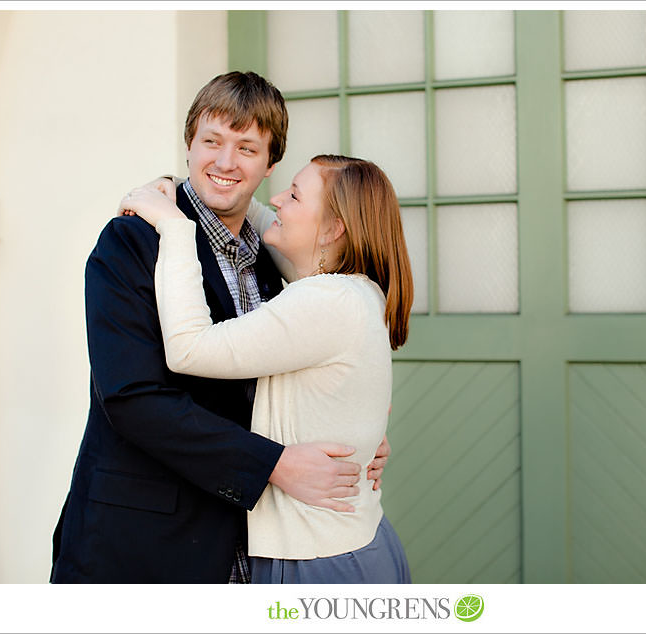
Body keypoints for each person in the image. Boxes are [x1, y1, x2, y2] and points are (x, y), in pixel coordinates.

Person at [50, 71, 390, 583]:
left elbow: (300, 367)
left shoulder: (276, 256)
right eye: (212, 141)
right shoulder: (132, 242)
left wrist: (355, 437)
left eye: (247, 148)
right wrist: (273, 464)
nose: (225, 163)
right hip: (141, 541)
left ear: (270, 164)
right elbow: (131, 397)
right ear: (189, 145)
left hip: (247, 544)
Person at [118, 154, 413, 583]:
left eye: (293, 195)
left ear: (332, 230)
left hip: (320, 564)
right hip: (352, 548)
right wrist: (178, 185)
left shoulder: (324, 302)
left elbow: (188, 349)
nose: (275, 199)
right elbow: (252, 211)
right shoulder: (357, 292)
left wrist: (176, 227)